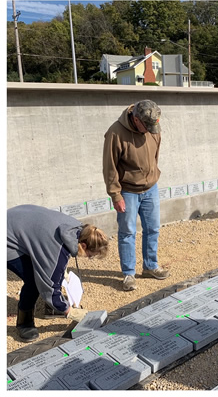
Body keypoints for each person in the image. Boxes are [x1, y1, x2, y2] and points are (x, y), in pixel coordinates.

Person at [7, 205, 109, 340]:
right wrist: (69, 311)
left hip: (16, 219)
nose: (88, 258)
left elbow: (55, 256)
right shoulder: (55, 250)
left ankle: (51, 306)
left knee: (49, 271)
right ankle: (24, 323)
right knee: (34, 280)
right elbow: (49, 286)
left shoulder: (79, 229)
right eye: (90, 255)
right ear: (83, 246)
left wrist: (60, 271)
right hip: (6, 237)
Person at [103, 100, 168, 291]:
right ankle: (128, 274)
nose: (150, 130)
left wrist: (152, 175)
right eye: (146, 126)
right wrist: (115, 195)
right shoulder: (115, 133)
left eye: (153, 126)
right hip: (128, 191)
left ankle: (150, 266)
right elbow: (110, 167)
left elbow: (155, 155)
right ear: (136, 119)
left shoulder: (153, 127)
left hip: (151, 188)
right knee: (127, 233)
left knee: (153, 228)